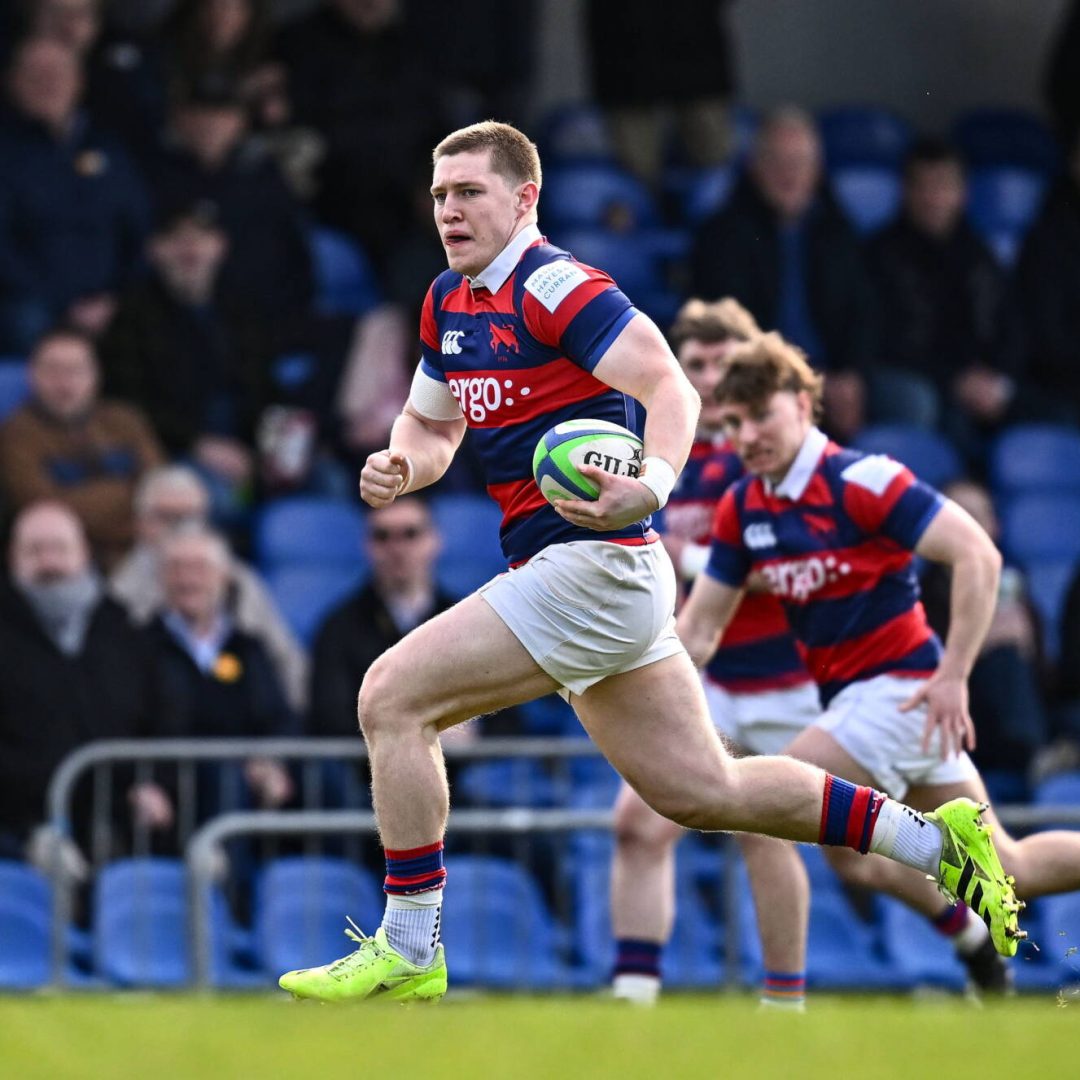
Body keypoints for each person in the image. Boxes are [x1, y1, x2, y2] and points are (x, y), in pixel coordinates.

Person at [277, 120, 1022, 1005]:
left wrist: (654, 482)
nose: (449, 209)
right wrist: (405, 463)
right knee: (704, 792)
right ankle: (938, 845)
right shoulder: (448, 301)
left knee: (390, 697)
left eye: (470, 191)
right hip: (593, 576)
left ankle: (409, 944)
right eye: (440, 194)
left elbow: (670, 383)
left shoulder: (556, 285)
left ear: (525, 199)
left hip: (592, 562)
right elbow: (435, 425)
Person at [677, 332, 1080, 987]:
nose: (748, 434)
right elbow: (698, 630)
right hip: (874, 709)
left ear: (805, 404)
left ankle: (780, 1008)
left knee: (765, 796)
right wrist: (633, 674)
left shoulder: (862, 479)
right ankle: (971, 934)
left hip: (900, 692)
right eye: (735, 422)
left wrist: (954, 675)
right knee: (993, 869)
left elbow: (978, 554)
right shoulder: (744, 507)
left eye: (763, 415)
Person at [608, 297, 820, 1009]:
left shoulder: (768, 455)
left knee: (797, 845)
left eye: (718, 364)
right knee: (638, 824)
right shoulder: (673, 457)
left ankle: (787, 1004)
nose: (702, 377)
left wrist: (689, 554)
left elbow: (793, 557)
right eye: (690, 365)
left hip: (788, 678)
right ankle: (633, 1000)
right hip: (705, 676)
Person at [689, 107, 875, 440]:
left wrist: (853, 375)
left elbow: (863, 311)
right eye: (777, 161)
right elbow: (727, 329)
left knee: (910, 401)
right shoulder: (722, 234)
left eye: (800, 162)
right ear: (754, 166)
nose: (789, 174)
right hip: (760, 378)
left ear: (817, 170)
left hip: (833, 378)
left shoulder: (839, 231)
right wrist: (801, 378)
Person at [0, 500, 152, 871]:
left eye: (60, 549)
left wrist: (150, 782)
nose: (49, 562)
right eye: (34, 550)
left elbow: (155, 715)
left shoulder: (122, 626)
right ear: (11, 558)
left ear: (84, 553)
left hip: (116, 810)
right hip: (15, 817)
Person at [133, 521, 296, 839]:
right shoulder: (137, 647)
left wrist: (273, 762)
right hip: (168, 793)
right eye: (177, 568)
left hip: (247, 789)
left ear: (224, 577)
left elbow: (279, 716)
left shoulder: (249, 648)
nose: (187, 579)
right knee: (223, 777)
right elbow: (123, 726)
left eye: (200, 567)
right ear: (162, 579)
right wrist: (139, 784)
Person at [866, 138, 1034, 445]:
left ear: (962, 193)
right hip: (927, 383)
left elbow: (1012, 324)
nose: (933, 198)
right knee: (939, 414)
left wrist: (1000, 380)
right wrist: (954, 381)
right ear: (905, 191)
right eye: (923, 186)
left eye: (943, 186)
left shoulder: (980, 255)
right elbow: (886, 342)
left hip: (986, 383)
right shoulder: (880, 255)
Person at [110, 464, 308, 712]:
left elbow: (283, 658)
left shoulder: (239, 580)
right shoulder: (122, 589)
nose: (179, 527)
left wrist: (285, 738)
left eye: (191, 516)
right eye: (166, 517)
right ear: (140, 523)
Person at [0, 35, 150, 352]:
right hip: (31, 300)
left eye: (57, 75)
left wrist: (112, 295)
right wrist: (63, 302)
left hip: (107, 301)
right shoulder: (6, 152)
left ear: (79, 81)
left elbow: (137, 228)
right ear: (12, 83)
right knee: (25, 319)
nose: (48, 84)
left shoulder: (107, 148)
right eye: (36, 76)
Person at [0, 325, 164, 570]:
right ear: (32, 375)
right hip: (65, 561)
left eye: (76, 370)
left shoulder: (126, 421)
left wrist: (83, 502)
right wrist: (131, 511)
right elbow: (43, 507)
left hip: (145, 552)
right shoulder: (16, 434)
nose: (65, 383)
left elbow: (159, 489)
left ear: (95, 375)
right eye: (53, 371)